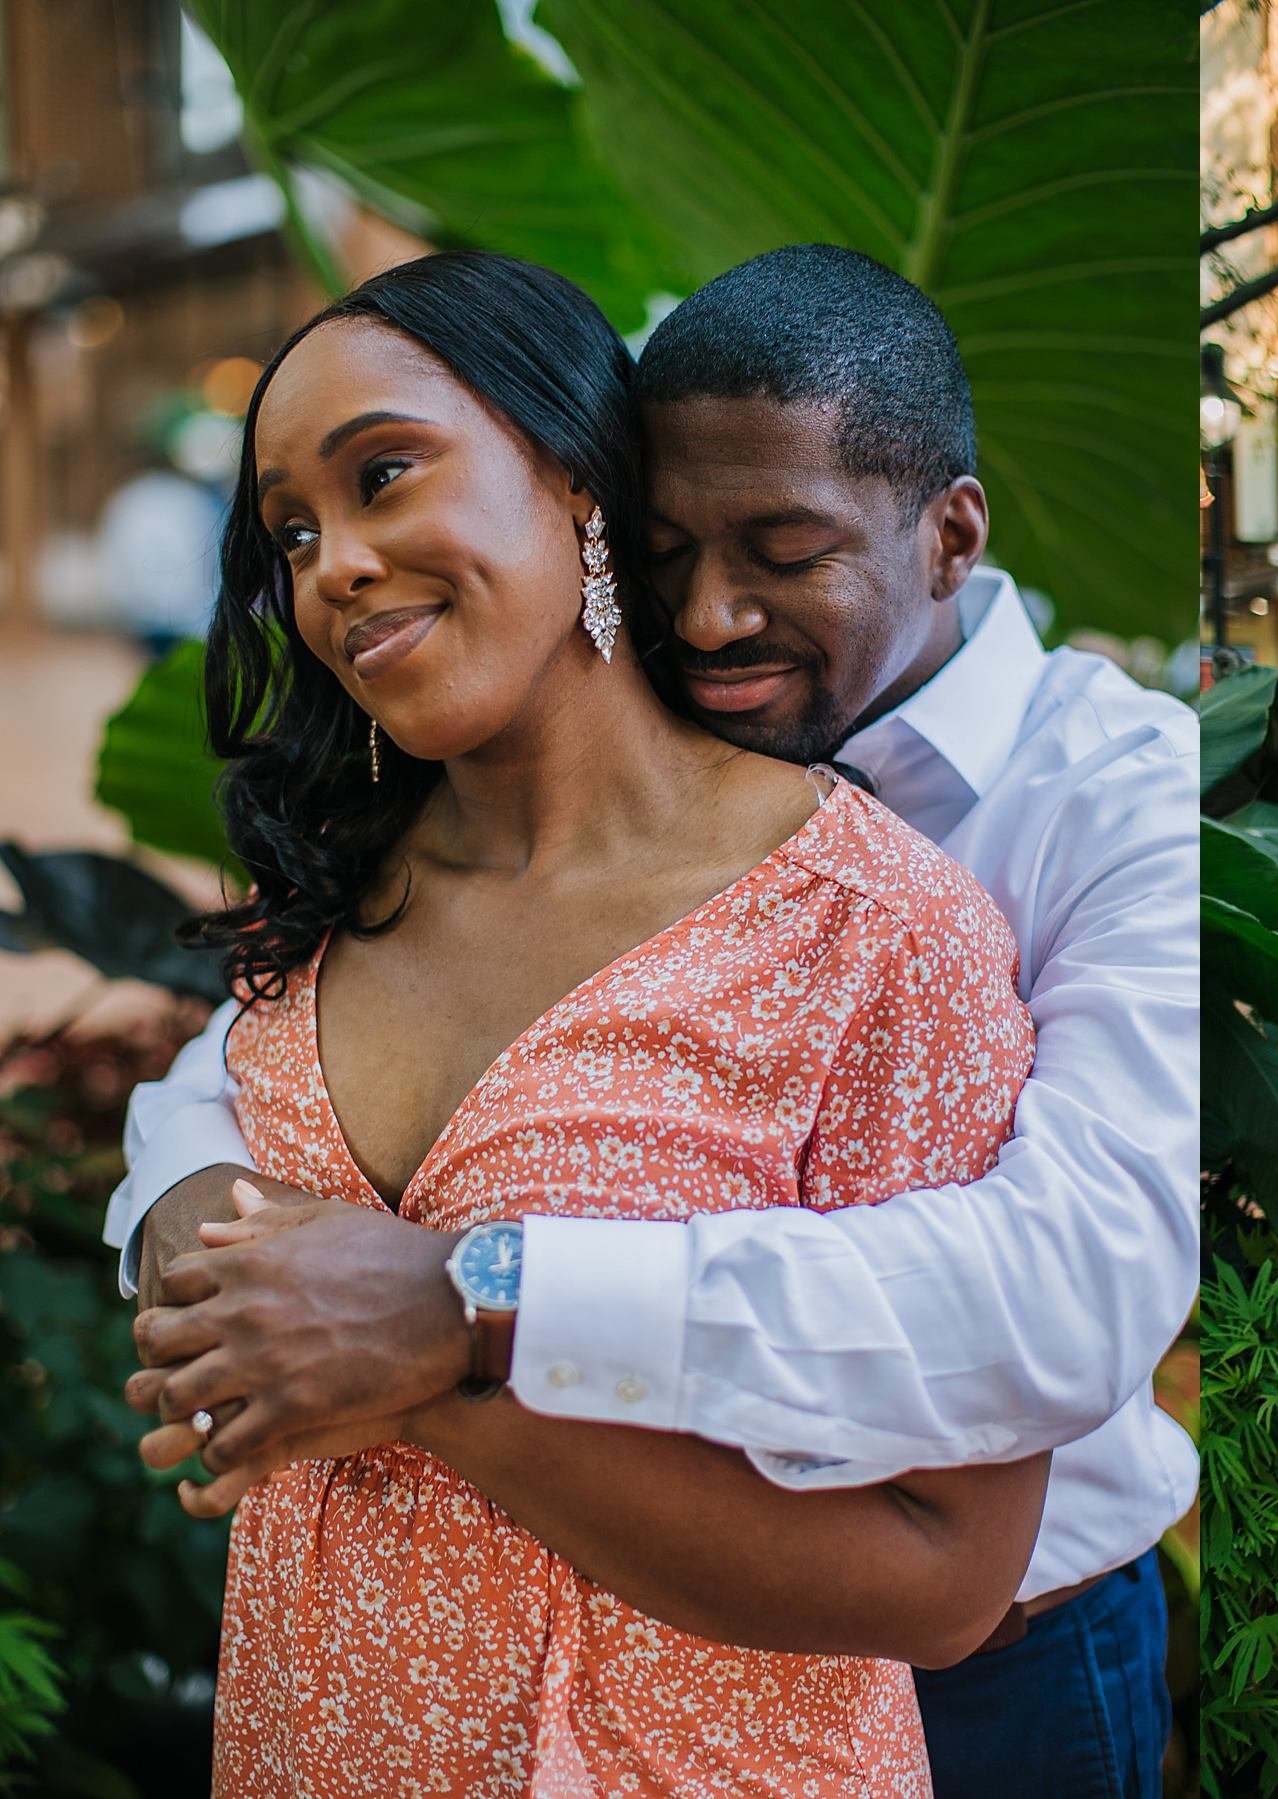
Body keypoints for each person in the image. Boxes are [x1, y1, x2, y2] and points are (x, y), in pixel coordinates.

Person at [111, 245, 1199, 1795]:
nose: (709, 613)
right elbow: (216, 1087)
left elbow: (1074, 1284)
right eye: (291, 531)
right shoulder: (362, 867)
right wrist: (189, 1205)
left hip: (986, 1649)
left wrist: (456, 1323)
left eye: (387, 476)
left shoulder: (1043, 833)